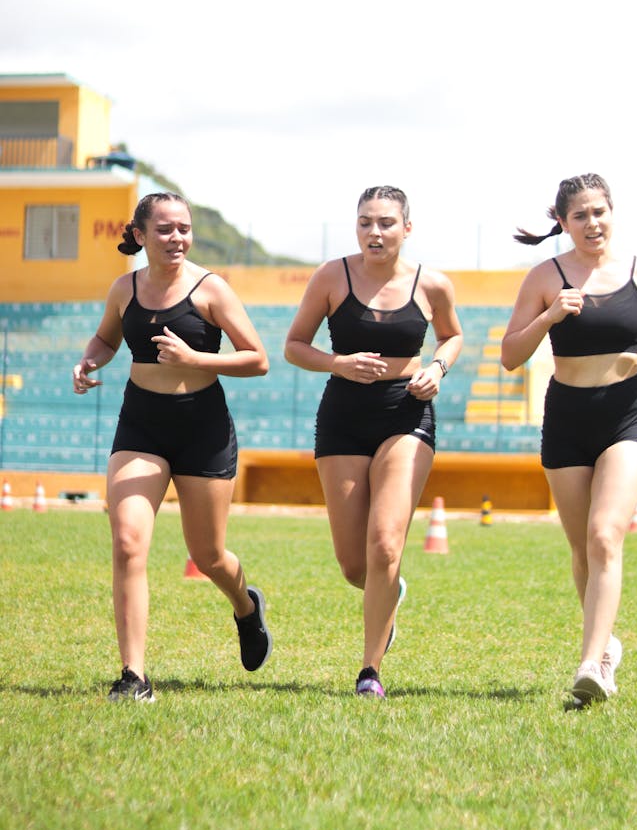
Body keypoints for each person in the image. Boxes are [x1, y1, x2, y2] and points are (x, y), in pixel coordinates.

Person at [73, 192, 273, 702]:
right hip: (141, 425)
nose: (177, 238)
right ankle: (134, 676)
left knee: (208, 555)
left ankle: (246, 607)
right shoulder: (125, 288)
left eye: (183, 228)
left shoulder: (211, 290)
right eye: (164, 229)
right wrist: (88, 361)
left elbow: (258, 359)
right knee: (127, 541)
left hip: (202, 429)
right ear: (139, 236)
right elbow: (106, 340)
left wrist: (195, 359)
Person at [500, 173, 637, 706]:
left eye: (599, 211)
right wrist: (550, 315)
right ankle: (606, 646)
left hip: (626, 413)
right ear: (562, 223)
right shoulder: (544, 277)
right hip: (566, 417)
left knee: (606, 535)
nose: (592, 223)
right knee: (582, 549)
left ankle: (591, 665)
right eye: (579, 215)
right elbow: (510, 355)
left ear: (613, 213)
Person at [284, 186, 463, 698]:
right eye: (365, 222)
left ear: (407, 228)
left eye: (386, 222)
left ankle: (370, 672)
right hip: (342, 415)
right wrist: (336, 362)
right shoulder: (330, 277)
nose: (375, 232)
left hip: (406, 412)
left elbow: (452, 336)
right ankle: (390, 595)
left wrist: (437, 367)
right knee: (354, 565)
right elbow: (294, 345)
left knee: (386, 543)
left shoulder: (432, 284)